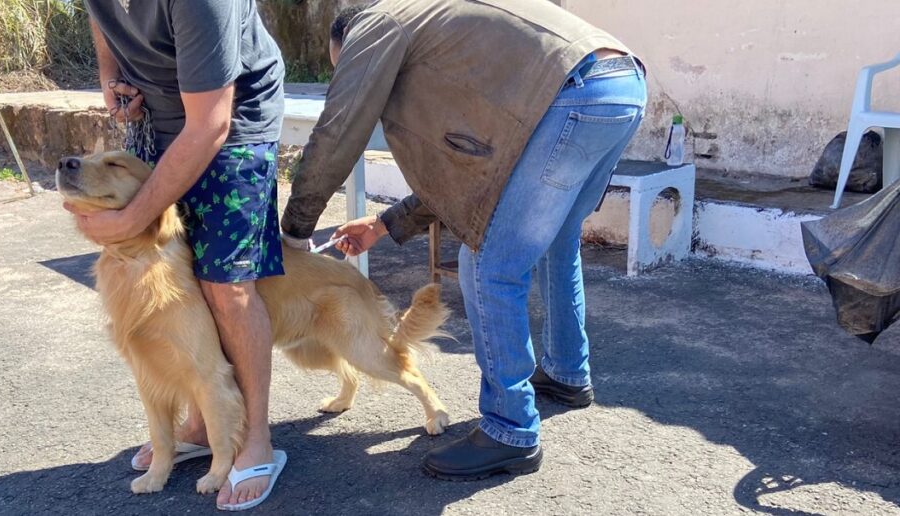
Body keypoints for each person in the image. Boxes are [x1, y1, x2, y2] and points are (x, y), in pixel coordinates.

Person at [281, 0, 647, 480]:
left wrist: (294, 230)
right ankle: (567, 373)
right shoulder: (441, 32)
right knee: (557, 242)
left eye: (344, 64)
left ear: (349, 41)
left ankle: (510, 430)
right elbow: (468, 175)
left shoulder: (375, 24)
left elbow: (339, 128)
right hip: (620, 83)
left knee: (488, 264)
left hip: (572, 92)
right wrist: (384, 224)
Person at [70, 0, 287, 509]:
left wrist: (132, 218)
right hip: (162, 117)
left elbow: (210, 123)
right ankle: (201, 423)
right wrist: (112, 75)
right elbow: (102, 16)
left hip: (232, 123)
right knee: (175, 286)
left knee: (225, 285)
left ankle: (256, 439)